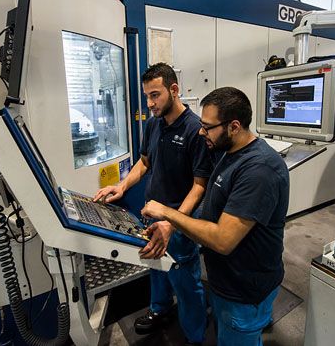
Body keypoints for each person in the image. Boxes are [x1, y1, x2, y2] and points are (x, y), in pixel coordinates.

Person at [141, 87, 289, 346]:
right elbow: (212, 206)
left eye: (208, 127)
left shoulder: (259, 170)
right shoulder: (228, 153)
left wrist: (167, 214)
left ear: (234, 126)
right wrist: (170, 225)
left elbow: (223, 239)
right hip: (225, 282)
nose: (201, 132)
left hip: (244, 290)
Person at [93, 63, 212, 345]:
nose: (150, 103)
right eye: (147, 96)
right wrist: (121, 186)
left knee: (186, 281)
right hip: (150, 215)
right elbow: (145, 161)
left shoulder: (196, 130)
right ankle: (160, 310)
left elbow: (199, 186)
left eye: (155, 95)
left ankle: (195, 335)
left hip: (178, 223)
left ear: (174, 89)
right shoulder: (153, 124)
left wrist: (172, 222)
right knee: (156, 267)